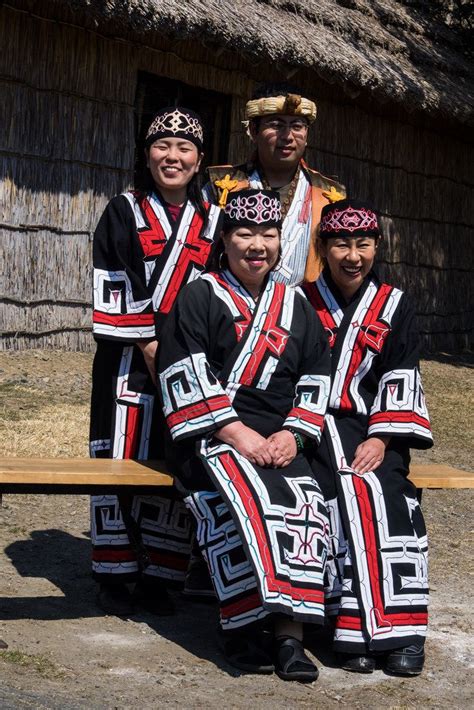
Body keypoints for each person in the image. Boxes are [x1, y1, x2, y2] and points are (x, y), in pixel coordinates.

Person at [157, 189, 332, 681]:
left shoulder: (294, 302)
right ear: (225, 241)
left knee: (305, 504)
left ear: (280, 241)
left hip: (280, 437)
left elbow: (318, 373)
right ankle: (240, 626)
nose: (257, 245)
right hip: (210, 435)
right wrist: (235, 432)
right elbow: (182, 368)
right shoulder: (199, 294)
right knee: (236, 504)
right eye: (244, 233)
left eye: (268, 234)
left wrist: (296, 434)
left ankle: (289, 636)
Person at [89, 106, 222, 616]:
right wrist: (149, 347)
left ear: (199, 159)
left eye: (184, 148)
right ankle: (116, 571)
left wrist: (188, 357)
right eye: (162, 146)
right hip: (127, 360)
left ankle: (162, 573)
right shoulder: (122, 210)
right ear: (146, 156)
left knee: (176, 455)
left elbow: (217, 290)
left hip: (189, 362)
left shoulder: (212, 220)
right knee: (121, 455)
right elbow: (117, 278)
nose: (173, 156)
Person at [302, 199, 433, 676]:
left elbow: (401, 373)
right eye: (340, 243)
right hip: (313, 428)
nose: (352, 255)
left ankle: (403, 631)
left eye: (363, 243)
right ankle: (347, 626)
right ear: (323, 248)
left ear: (377, 246)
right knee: (337, 495)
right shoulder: (301, 301)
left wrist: (382, 438)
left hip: (376, 429)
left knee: (388, 495)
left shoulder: (396, 304)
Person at [204, 82, 346, 286]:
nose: (288, 136)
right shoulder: (221, 186)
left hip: (301, 309)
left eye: (297, 126)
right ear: (254, 130)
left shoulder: (330, 195)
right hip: (229, 304)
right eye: (276, 125)